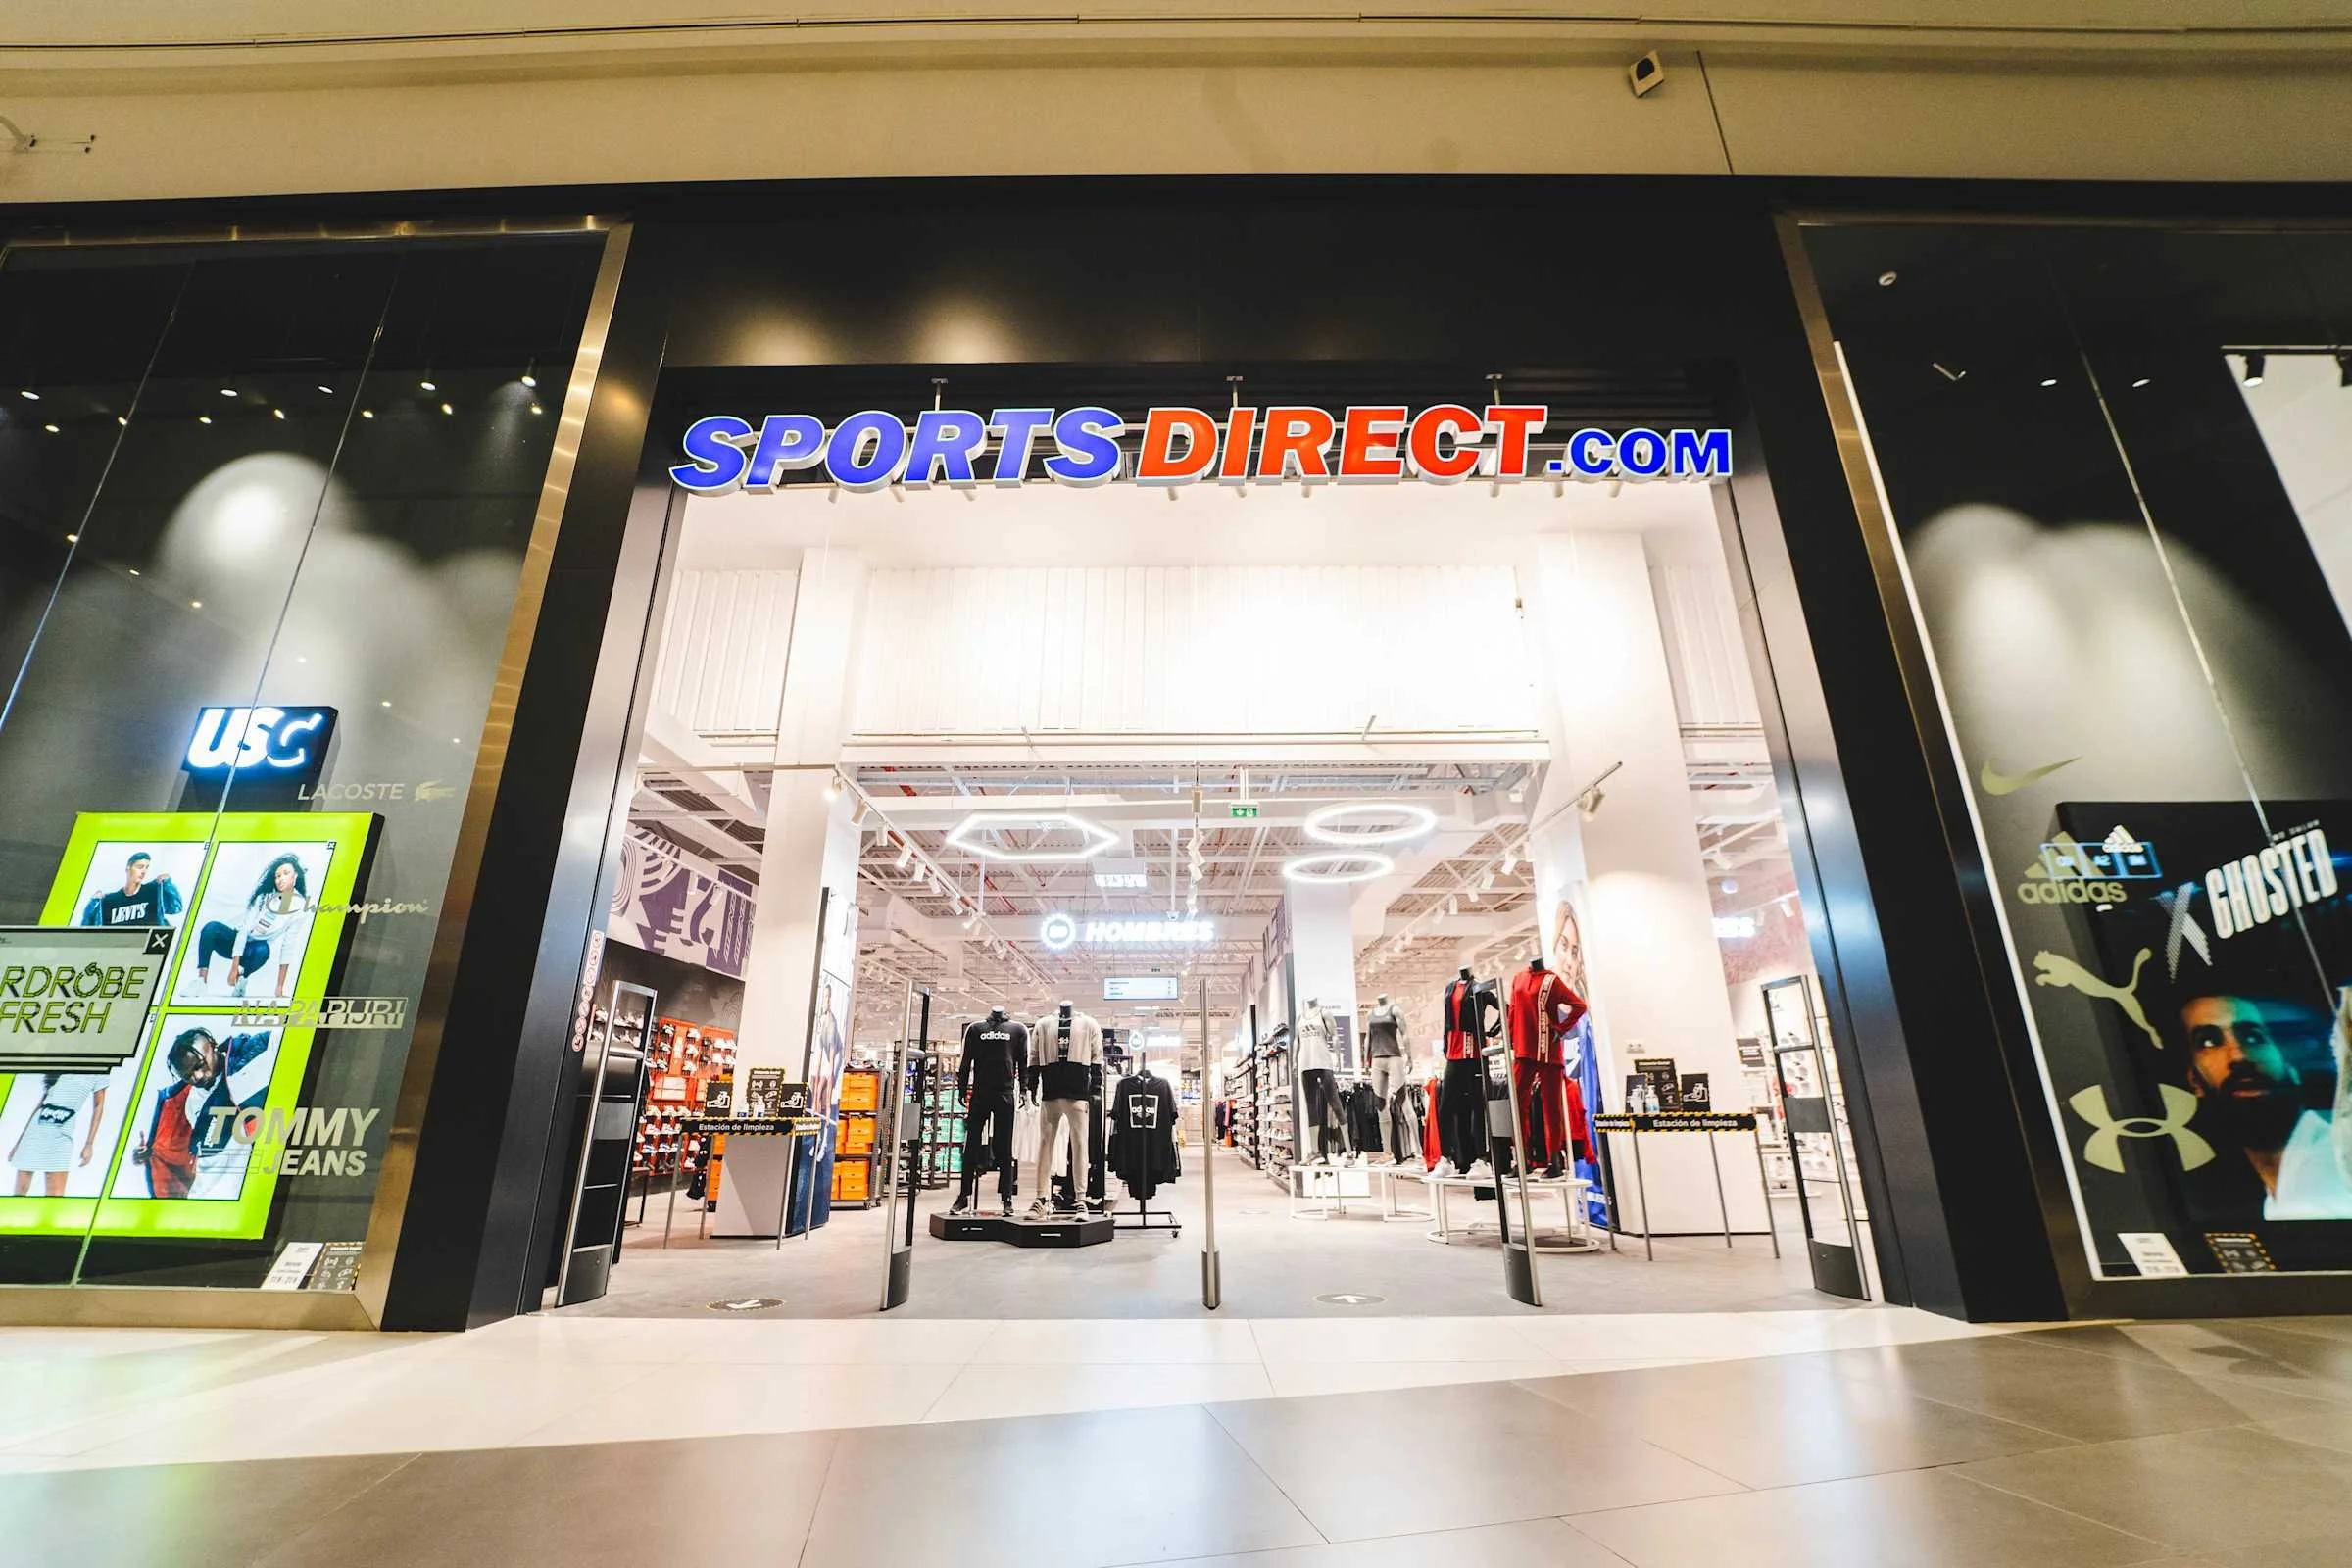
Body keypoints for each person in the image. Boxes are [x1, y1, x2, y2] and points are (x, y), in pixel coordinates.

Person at [2181, 992, 2352, 1220]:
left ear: (2290, 1066)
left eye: (2254, 1038)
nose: (2239, 1056)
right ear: (2194, 1080)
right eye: (2209, 1042)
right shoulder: (2273, 1197)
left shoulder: (2339, 1158)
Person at [128, 1026, 270, 1200]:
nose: (196, 1077)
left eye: (199, 1066)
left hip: (254, 1183)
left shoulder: (251, 1053)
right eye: (187, 1076)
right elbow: (184, 1149)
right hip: (211, 1196)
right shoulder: (191, 1101)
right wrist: (154, 1153)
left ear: (212, 1044)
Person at [194, 854, 314, 999]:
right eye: (277, 876)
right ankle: (201, 981)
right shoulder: (263, 896)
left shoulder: (300, 907)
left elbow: (288, 945)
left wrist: (280, 987)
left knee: (263, 950)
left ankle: (242, 980)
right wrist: (234, 967)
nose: (280, 879)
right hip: (236, 940)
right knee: (211, 928)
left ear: (296, 875)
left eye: (286, 873)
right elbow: (244, 929)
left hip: (254, 951)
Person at [7, 1073, 111, 1196]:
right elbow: (42, 1102)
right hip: (37, 1127)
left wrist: (89, 1143)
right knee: (20, 1189)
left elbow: (99, 1106)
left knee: (55, 1193)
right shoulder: (61, 1066)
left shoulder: (99, 1071)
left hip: (63, 1131)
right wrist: (19, 1143)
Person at [79, 851, 182, 929]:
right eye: (140, 867)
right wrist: (93, 902)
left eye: (146, 867)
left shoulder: (153, 891)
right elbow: (87, 927)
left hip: (149, 946)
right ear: (128, 868)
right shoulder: (109, 900)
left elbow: (175, 908)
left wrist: (168, 885)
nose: (143, 872)